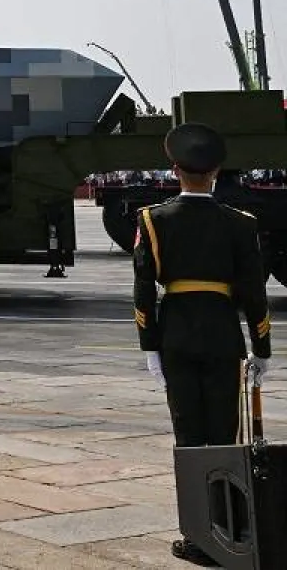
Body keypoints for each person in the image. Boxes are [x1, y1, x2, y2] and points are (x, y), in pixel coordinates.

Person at [133, 121, 272, 566]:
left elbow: (142, 290)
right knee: (224, 439)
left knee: (188, 438)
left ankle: (196, 537)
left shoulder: (153, 220)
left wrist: (149, 346)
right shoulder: (240, 223)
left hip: (176, 337)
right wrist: (261, 347)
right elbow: (254, 291)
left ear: (175, 169)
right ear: (216, 172)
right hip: (221, 337)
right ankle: (228, 528)